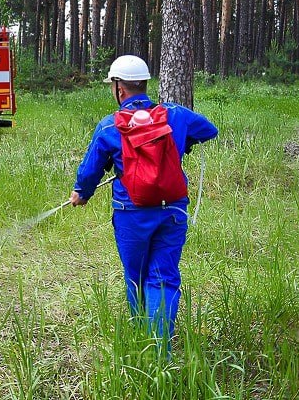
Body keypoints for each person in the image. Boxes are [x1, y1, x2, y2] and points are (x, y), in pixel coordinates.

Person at [70, 55, 218, 349]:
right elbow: (209, 130)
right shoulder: (175, 114)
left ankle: (143, 345)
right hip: (172, 210)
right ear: (145, 83)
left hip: (131, 214)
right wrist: (181, 143)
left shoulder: (109, 126)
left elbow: (89, 172)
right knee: (163, 279)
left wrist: (81, 193)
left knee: (136, 278)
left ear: (119, 88)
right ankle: (160, 351)